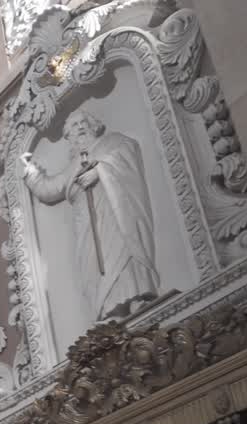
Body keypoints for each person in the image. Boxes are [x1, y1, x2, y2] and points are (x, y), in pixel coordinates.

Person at [22, 110, 160, 320]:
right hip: (85, 220)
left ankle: (136, 298)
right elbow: (52, 188)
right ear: (69, 136)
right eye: (74, 126)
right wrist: (31, 172)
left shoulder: (112, 142)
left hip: (115, 212)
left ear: (93, 124)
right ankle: (110, 308)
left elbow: (128, 151)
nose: (79, 128)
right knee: (94, 261)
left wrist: (100, 171)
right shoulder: (74, 163)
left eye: (82, 122)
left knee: (120, 253)